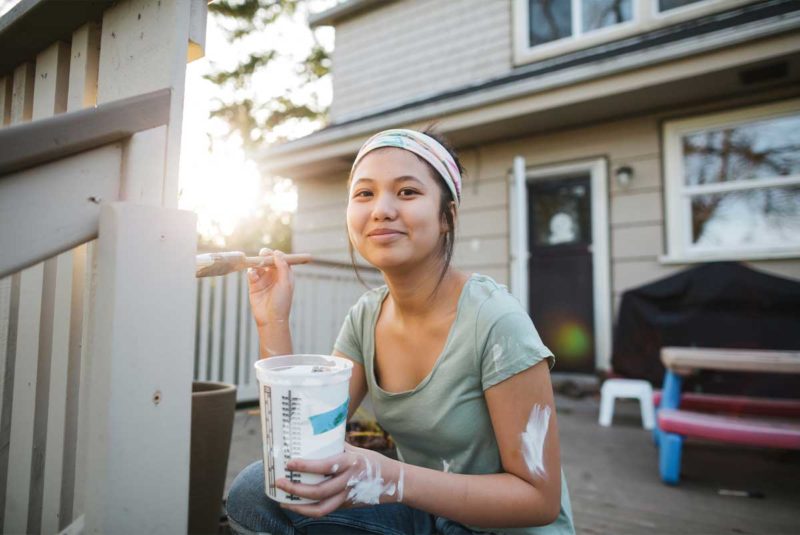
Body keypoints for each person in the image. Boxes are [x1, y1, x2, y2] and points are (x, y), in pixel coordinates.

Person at [225, 128, 576, 535]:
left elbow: (539, 499)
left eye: (407, 192)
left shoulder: (496, 321)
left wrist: (392, 477)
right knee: (255, 492)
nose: (382, 210)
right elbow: (300, 445)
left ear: (448, 216)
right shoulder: (366, 318)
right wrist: (273, 320)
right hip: (428, 518)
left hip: (504, 529)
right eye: (364, 194)